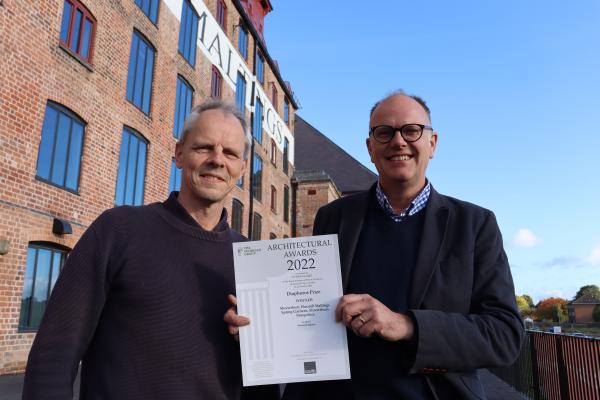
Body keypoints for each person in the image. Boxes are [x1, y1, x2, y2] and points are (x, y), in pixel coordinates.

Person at [226, 91, 524, 399]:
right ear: (370, 148)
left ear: (432, 143)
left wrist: (406, 325)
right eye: (384, 133)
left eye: (412, 130)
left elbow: (505, 336)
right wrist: (260, 324)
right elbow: (308, 308)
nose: (398, 142)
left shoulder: (474, 225)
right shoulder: (333, 217)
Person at [23, 100, 277, 400]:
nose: (217, 160)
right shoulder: (118, 230)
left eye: (230, 153)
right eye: (204, 147)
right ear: (179, 153)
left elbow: (266, 387)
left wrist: (253, 343)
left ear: (242, 169)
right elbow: (52, 357)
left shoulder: (252, 260)